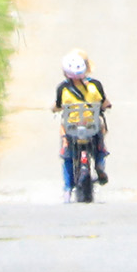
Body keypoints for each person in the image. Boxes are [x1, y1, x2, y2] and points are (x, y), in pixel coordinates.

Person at [51, 50, 110, 189]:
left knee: (64, 131)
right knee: (101, 128)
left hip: (73, 128)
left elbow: (58, 106)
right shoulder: (95, 85)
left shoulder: (62, 88)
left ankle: (67, 188)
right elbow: (105, 103)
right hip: (92, 127)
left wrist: (54, 109)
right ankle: (100, 157)